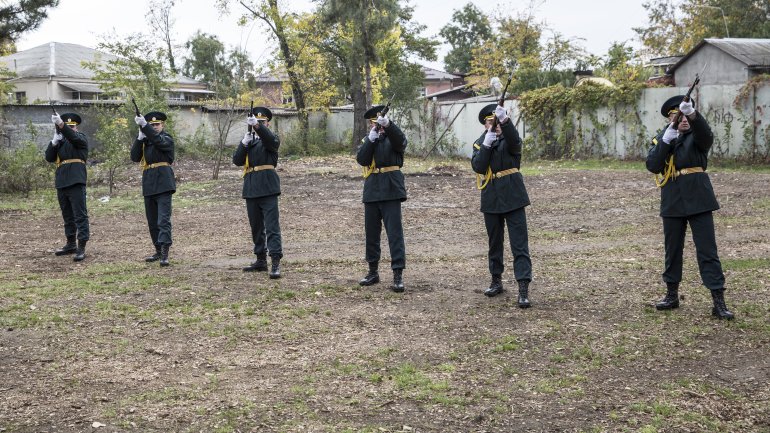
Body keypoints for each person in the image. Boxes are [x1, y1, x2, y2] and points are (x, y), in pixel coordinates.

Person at [646, 95, 734, 320]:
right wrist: (666, 139)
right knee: (672, 250)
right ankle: (671, 295)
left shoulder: (697, 137)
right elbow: (653, 165)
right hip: (673, 198)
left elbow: (706, 136)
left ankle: (718, 301)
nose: (683, 119)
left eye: (686, 115)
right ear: (670, 118)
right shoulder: (662, 138)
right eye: (679, 116)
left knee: (707, 250)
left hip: (699, 197)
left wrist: (694, 114)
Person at [471, 103, 532, 308]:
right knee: (494, 243)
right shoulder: (480, 143)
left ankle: (523, 287)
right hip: (491, 197)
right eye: (490, 121)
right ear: (485, 124)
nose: (493, 125)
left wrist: (505, 122)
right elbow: (478, 166)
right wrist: (487, 144)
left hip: (513, 196)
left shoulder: (510, 138)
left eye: (496, 121)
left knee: (519, 244)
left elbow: (515, 142)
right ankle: (496, 280)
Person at [355, 105, 407, 293]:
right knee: (371, 233)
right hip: (372, 190)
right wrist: (371, 140)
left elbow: (401, 142)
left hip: (391, 188)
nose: (378, 125)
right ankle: (373, 271)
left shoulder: (394, 136)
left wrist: (390, 126)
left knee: (394, 233)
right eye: (374, 122)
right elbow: (362, 159)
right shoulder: (369, 139)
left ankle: (398, 273)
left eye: (380, 121)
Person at [232, 106, 283, 279]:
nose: (258, 124)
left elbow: (271, 141)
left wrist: (258, 128)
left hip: (268, 187)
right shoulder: (250, 140)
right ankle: (260, 259)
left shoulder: (270, 138)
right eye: (256, 121)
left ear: (267, 123)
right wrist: (243, 143)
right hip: (251, 187)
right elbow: (237, 161)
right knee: (256, 227)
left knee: (272, 227)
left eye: (262, 122)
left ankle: (275, 261)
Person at [130, 111, 176, 267]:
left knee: (163, 220)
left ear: (162, 125)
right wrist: (139, 138)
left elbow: (159, 141)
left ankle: (164, 252)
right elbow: (135, 157)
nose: (154, 127)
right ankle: (157, 249)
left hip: (163, 182)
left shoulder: (167, 138)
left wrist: (145, 126)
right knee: (152, 220)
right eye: (151, 125)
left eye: (157, 124)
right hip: (149, 183)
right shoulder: (147, 141)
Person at [44, 112, 90, 262]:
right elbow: (49, 157)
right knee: (67, 215)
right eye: (67, 126)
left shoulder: (81, 138)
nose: (71, 128)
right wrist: (54, 142)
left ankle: (81, 246)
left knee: (80, 214)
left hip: (76, 180)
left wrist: (62, 126)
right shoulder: (61, 142)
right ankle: (70, 243)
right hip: (62, 181)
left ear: (76, 127)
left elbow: (74, 137)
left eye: (72, 126)